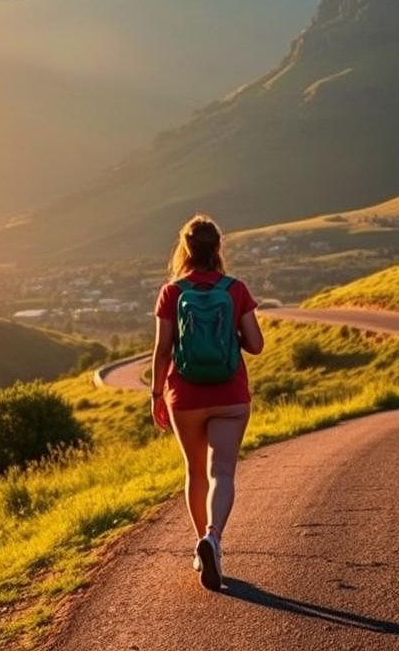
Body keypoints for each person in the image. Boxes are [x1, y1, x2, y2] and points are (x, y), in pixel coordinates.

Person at [150, 214, 264, 590]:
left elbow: (163, 350)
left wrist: (156, 396)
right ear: (218, 247)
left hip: (186, 397)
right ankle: (214, 537)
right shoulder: (235, 289)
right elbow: (256, 345)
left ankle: (203, 547)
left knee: (195, 472)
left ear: (185, 248)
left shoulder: (172, 291)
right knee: (223, 473)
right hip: (230, 395)